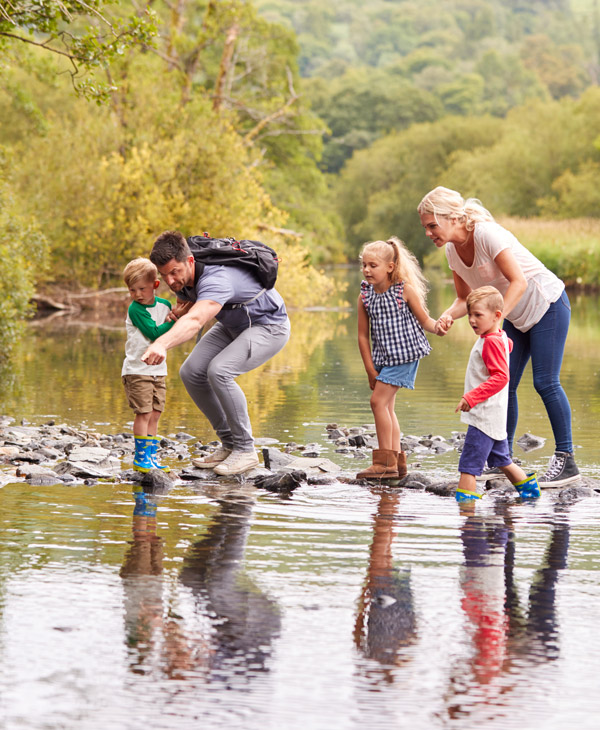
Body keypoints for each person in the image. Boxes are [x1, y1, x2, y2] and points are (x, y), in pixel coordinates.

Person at [418, 186, 579, 487]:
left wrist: (497, 321)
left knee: (545, 381)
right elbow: (463, 299)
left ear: (452, 218)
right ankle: (501, 457)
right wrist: (446, 317)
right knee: (504, 384)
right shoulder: (453, 252)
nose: (428, 233)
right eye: (425, 227)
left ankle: (566, 460)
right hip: (510, 316)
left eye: (431, 225)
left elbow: (518, 281)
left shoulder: (485, 234)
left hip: (547, 304)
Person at [141, 231, 290, 476]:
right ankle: (229, 443)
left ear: (190, 261)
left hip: (269, 325)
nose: (169, 280)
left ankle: (245, 449)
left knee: (220, 371)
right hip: (234, 324)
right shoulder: (184, 276)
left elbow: (197, 319)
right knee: (190, 372)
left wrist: (161, 344)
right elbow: (192, 305)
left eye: (174, 272)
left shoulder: (216, 277)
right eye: (163, 274)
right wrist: (180, 310)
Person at [356, 236, 439, 480]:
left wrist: (440, 326)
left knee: (377, 403)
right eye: (364, 265)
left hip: (405, 355)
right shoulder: (365, 296)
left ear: (390, 267)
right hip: (383, 358)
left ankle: (384, 463)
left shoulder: (403, 291)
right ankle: (397, 462)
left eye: (373, 265)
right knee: (388, 407)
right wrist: (370, 370)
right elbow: (362, 337)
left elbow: (426, 321)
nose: (367, 270)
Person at [454, 287, 541, 501]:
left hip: (483, 416)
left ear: (497, 316)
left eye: (478, 315)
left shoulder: (490, 341)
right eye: (470, 315)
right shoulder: (499, 336)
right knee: (502, 459)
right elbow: (508, 346)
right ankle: (530, 492)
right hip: (496, 415)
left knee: (469, 466)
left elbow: (501, 377)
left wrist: (471, 397)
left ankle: (467, 515)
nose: (472, 320)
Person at [121, 257, 174, 472]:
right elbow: (154, 333)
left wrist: (176, 315)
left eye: (142, 289)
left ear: (155, 285)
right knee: (143, 413)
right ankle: (140, 457)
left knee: (155, 412)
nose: (137, 294)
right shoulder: (136, 309)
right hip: (137, 371)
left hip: (158, 371)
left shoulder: (165, 305)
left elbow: (170, 332)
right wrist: (173, 321)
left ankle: (151, 456)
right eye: (132, 290)